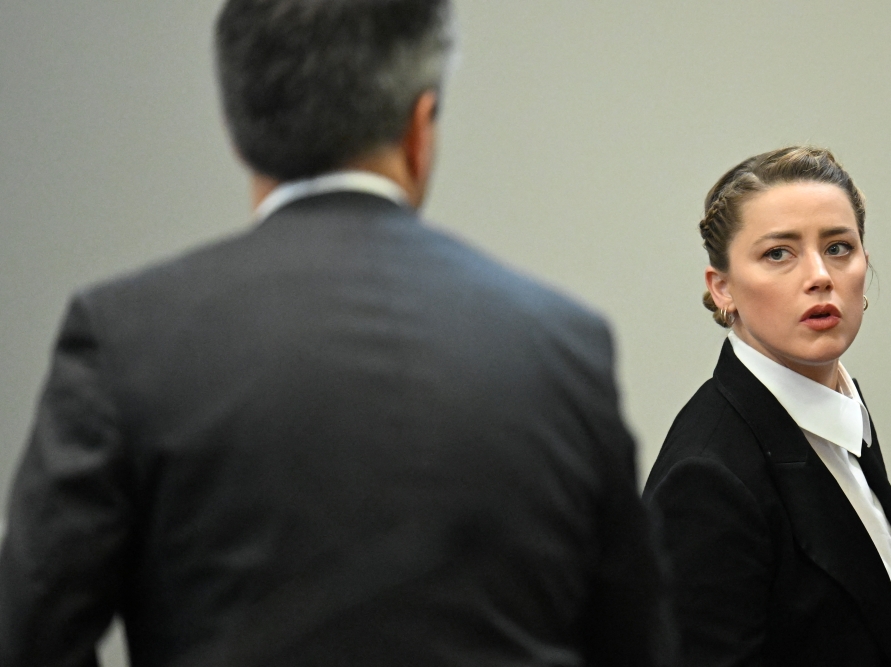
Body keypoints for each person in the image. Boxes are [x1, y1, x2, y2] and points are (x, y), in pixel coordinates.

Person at [0, 1, 668, 665]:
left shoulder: (124, 338)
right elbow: (634, 641)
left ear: (241, 128)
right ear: (421, 125)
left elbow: (30, 632)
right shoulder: (562, 344)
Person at [643, 146, 891, 667]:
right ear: (722, 288)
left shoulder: (835, 406)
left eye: (839, 247)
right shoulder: (706, 478)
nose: (820, 275)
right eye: (779, 253)